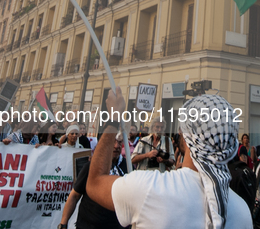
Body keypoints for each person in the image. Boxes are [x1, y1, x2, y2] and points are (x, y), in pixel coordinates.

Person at [86, 87, 252, 229]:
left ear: (186, 136)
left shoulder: (149, 188)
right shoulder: (242, 211)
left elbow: (95, 182)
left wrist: (114, 120)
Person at [59, 132, 128, 229]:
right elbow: (74, 195)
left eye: (119, 143)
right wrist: (63, 224)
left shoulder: (127, 166)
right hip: (89, 225)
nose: (116, 146)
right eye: (113, 142)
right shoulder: (92, 167)